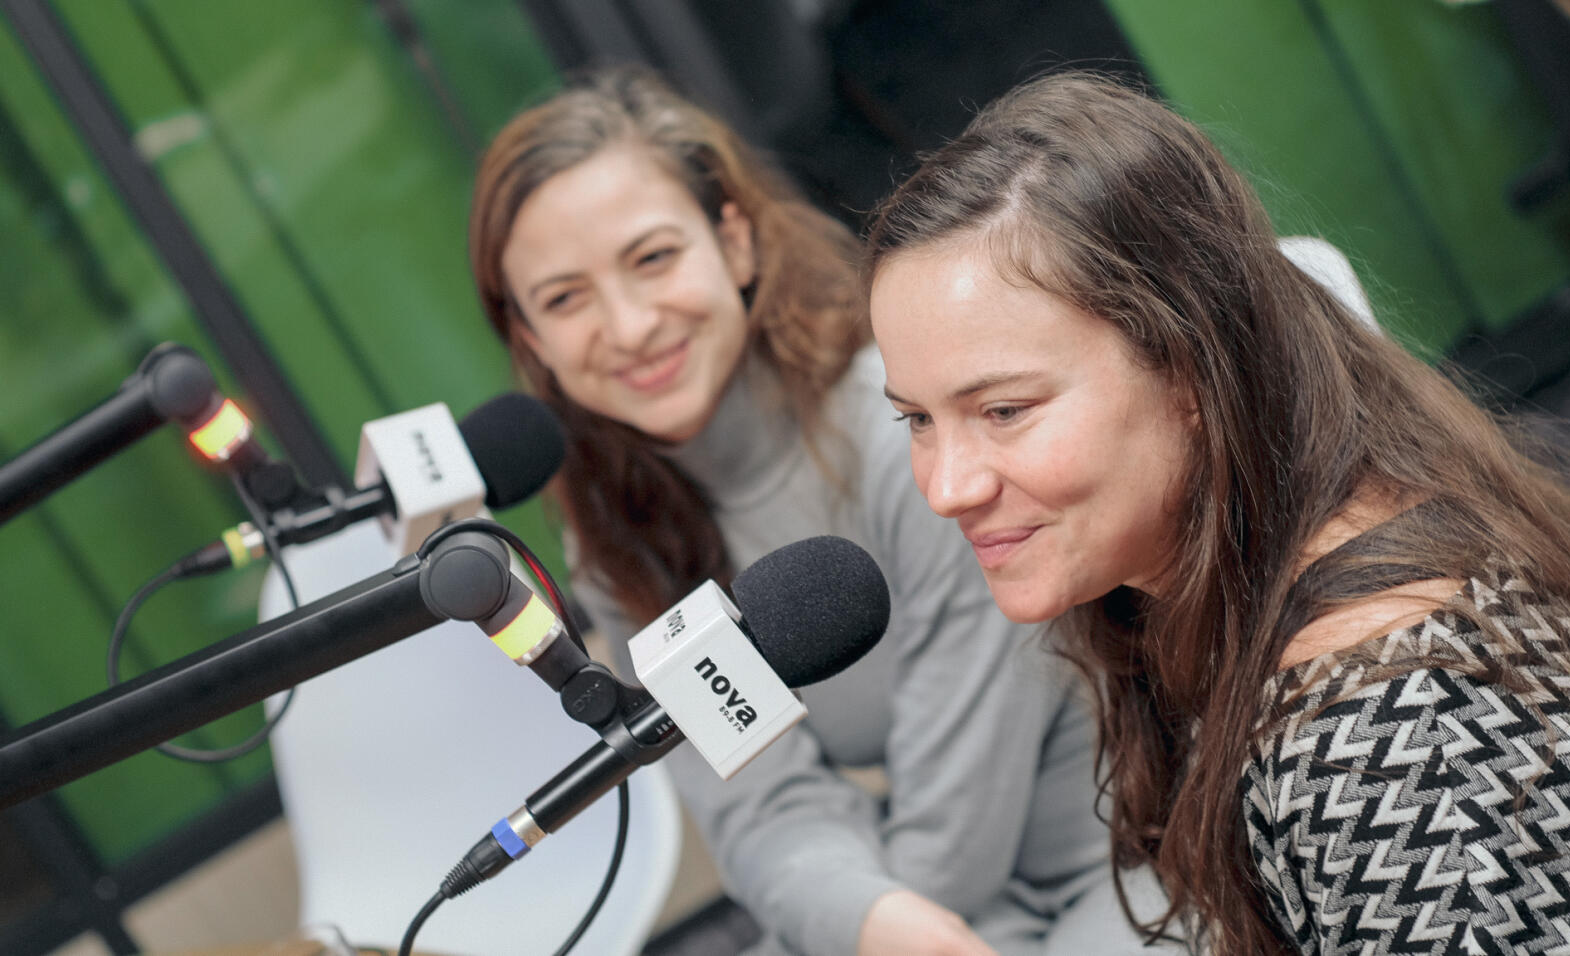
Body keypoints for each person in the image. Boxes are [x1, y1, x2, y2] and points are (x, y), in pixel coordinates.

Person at [865, 70, 1570, 954]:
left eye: (1004, 411)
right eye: (916, 420)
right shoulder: (1250, 584)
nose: (946, 486)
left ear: (1191, 370)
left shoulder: (1400, 752)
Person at [467, 67, 1171, 956]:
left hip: (1148, 872)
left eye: (653, 259)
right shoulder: (615, 538)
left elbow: (963, 820)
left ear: (735, 244)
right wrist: (863, 919)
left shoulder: (909, 430)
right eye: (565, 299)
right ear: (529, 339)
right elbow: (763, 810)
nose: (630, 324)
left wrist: (876, 921)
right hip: (946, 912)